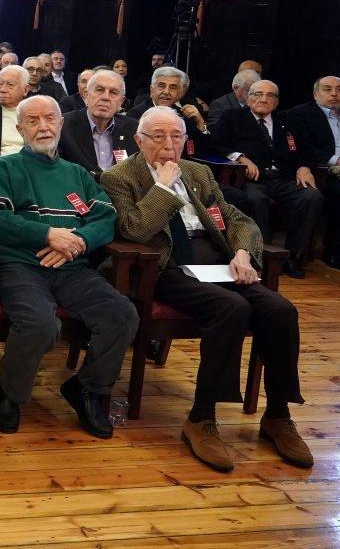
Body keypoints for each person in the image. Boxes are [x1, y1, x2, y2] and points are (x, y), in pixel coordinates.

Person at [101, 106, 311, 471]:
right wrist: (164, 187)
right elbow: (134, 229)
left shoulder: (198, 172)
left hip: (218, 265)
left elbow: (236, 218)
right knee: (231, 308)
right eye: (158, 137)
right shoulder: (120, 177)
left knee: (280, 310)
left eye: (177, 137)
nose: (169, 145)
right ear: (139, 140)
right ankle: (201, 417)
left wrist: (244, 253)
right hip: (166, 269)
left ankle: (278, 415)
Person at [0, 95, 138, 438]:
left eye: (50, 119)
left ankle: (88, 388)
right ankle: (9, 391)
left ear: (61, 124)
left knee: (122, 314)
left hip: (72, 267)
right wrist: (48, 234)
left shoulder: (77, 173)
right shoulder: (5, 168)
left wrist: (75, 243)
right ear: (20, 129)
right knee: (40, 324)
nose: (43, 126)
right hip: (21, 266)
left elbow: (106, 219)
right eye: (32, 121)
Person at [211, 80, 322, 279]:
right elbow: (217, 144)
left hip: (284, 178)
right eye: (258, 94)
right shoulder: (233, 117)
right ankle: (261, 254)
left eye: (270, 95)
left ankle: (294, 256)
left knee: (311, 196)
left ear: (277, 101)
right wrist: (240, 157)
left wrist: (304, 167)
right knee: (255, 199)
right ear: (248, 97)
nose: (263, 99)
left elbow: (308, 150)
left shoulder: (288, 121)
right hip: (253, 179)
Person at [289, 75, 340, 270]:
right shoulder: (301, 114)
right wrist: (338, 161)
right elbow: (302, 147)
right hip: (322, 173)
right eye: (327, 89)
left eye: (339, 89)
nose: (334, 94)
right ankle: (333, 251)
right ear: (316, 94)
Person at [58, 70, 139, 174]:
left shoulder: (133, 129)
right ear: (86, 95)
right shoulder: (63, 126)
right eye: (99, 90)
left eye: (113, 92)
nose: (106, 97)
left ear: (121, 102)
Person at [207, 65, 262, 130]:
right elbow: (215, 131)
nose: (254, 95)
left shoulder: (261, 103)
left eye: (257, 91)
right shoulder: (220, 104)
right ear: (235, 88)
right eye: (248, 90)